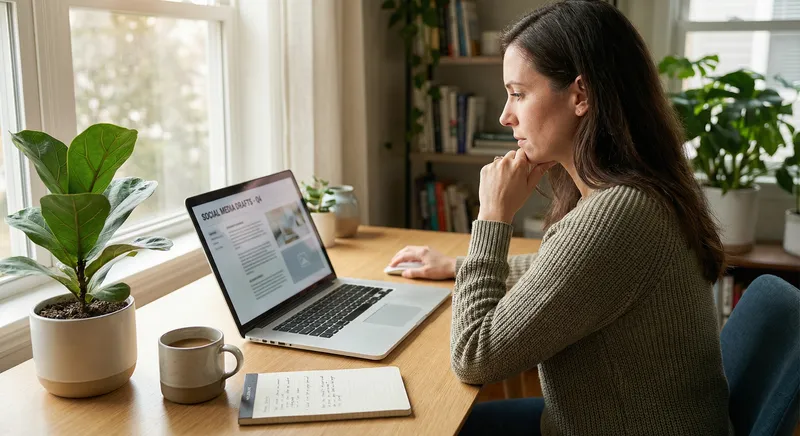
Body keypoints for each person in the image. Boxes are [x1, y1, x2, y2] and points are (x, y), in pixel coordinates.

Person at [388, 1, 732, 434]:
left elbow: (474, 356)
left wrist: (493, 217)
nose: (504, 115)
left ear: (581, 95)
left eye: (518, 93)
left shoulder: (618, 215)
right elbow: (565, 271)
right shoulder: (634, 194)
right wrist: (455, 268)